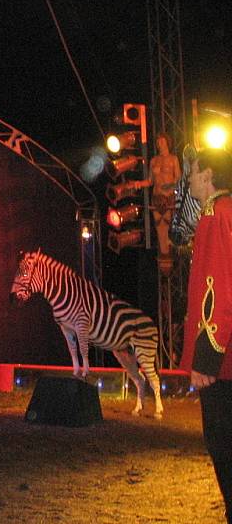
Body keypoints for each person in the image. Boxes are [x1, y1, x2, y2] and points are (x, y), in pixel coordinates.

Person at [180, 146, 232, 522]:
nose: (190, 179)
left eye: (194, 172)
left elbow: (216, 290)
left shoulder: (214, 216)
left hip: (224, 359)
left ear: (209, 174)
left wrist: (206, 357)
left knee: (224, 445)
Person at [149, 132, 181, 264]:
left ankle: (167, 254)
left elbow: (179, 179)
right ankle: (163, 255)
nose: (159, 144)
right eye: (158, 142)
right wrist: (137, 183)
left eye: (162, 141)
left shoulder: (173, 159)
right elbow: (150, 181)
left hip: (168, 197)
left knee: (167, 225)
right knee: (159, 228)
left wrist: (171, 187)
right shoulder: (153, 160)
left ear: (167, 142)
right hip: (156, 197)